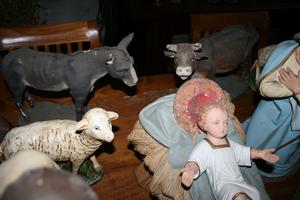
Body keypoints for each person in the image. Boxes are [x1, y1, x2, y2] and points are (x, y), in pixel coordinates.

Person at [181, 103, 279, 200]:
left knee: (255, 193)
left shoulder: (229, 143)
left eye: (225, 122)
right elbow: (197, 161)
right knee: (239, 197)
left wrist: (260, 154)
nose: (223, 127)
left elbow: (243, 153)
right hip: (224, 186)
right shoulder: (205, 146)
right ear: (203, 125)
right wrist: (190, 170)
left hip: (240, 182)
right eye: (216, 123)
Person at [244, 40, 300, 178]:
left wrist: (297, 90)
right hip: (272, 109)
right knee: (258, 134)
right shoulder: (288, 49)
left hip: (293, 123)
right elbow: (264, 86)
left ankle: (271, 165)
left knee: (282, 146)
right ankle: (250, 154)